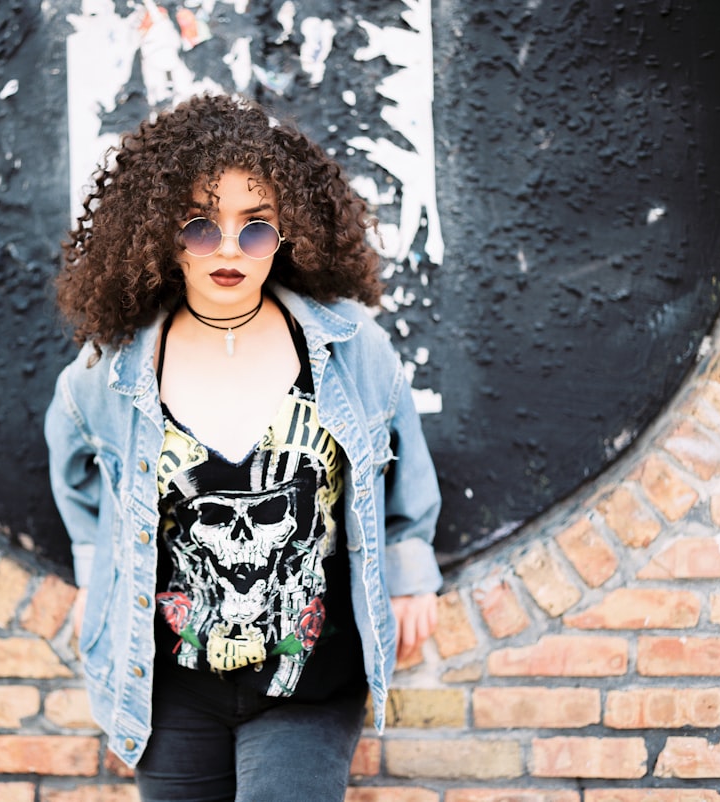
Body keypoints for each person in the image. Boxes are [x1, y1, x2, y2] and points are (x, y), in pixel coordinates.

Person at [45, 92, 442, 802]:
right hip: (168, 686)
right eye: (201, 226)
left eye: (254, 229)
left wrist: (411, 569)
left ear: (289, 234)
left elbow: (399, 453)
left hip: (310, 678)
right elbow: (75, 458)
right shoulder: (111, 372)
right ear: (161, 234)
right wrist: (92, 566)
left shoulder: (352, 346)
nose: (228, 248)